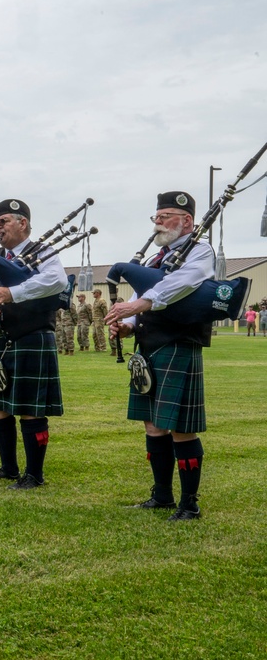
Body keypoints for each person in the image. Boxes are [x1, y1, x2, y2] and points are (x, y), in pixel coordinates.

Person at [106, 191, 213, 521]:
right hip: (149, 346)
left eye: (166, 216)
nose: (159, 223)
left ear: (187, 221)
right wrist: (126, 325)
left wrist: (139, 304)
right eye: (157, 217)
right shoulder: (156, 259)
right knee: (153, 425)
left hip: (178, 343)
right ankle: (162, 496)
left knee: (180, 427)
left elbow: (184, 283)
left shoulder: (200, 251)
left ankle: (189, 504)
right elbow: (140, 295)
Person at [0, 199, 66, 489]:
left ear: (22, 223)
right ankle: (8, 467)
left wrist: (13, 292)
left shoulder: (44, 252)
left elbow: (56, 281)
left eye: (4, 221)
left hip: (31, 335)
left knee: (30, 407)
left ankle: (34, 474)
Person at [91, 289, 109, 353]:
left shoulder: (102, 301)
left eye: (94, 293)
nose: (93, 294)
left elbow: (105, 311)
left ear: (98, 293)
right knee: (94, 334)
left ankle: (103, 347)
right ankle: (97, 348)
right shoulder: (96, 301)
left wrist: (106, 319)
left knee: (100, 334)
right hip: (95, 320)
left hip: (99, 319)